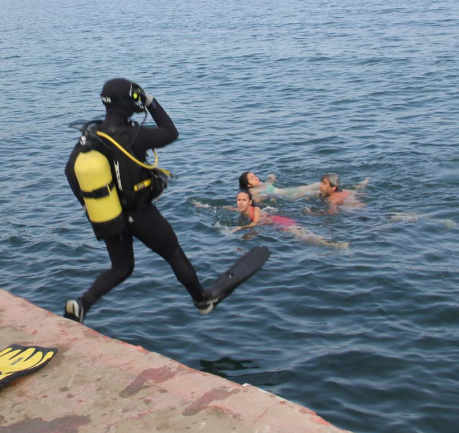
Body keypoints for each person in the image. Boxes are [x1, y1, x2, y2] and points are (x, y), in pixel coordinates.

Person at [64, 79, 214, 323]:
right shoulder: (134, 134)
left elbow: (70, 172)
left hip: (108, 215)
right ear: (130, 102)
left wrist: (89, 203)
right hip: (141, 213)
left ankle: (82, 303)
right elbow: (171, 132)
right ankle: (202, 299)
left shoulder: (91, 136)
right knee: (174, 253)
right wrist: (151, 102)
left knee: (121, 268)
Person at [227, 190, 347, 250]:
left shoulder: (256, 209)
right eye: (238, 200)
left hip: (279, 221)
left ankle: (332, 244)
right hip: (273, 226)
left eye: (243, 200)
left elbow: (255, 223)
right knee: (300, 237)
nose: (240, 203)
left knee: (301, 235)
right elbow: (231, 208)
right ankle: (329, 243)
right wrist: (210, 206)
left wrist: (240, 227)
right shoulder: (242, 211)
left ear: (250, 202)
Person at [238, 171, 319, 202]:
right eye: (252, 178)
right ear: (249, 185)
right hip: (285, 196)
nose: (255, 178)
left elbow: (268, 185)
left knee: (313, 186)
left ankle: (329, 183)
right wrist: (262, 197)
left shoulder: (261, 184)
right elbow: (256, 200)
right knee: (314, 192)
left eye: (255, 176)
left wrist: (271, 179)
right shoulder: (253, 191)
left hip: (287, 191)